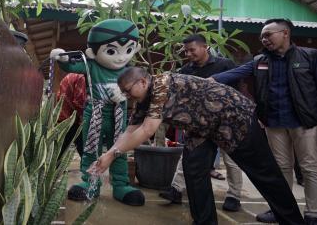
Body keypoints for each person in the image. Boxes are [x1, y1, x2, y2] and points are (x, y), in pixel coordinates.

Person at [90, 67, 304, 225]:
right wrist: (108, 154)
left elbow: (147, 130)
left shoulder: (161, 85)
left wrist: (113, 154)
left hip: (234, 118)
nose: (127, 96)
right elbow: (129, 131)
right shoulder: (143, 99)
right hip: (203, 128)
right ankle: (205, 222)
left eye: (128, 91)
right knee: (193, 170)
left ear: (143, 82)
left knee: (264, 173)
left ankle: (293, 221)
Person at [212, 18, 317, 224]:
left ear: (285, 33)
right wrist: (207, 80)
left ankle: (313, 212)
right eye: (262, 36)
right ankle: (283, 210)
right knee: (281, 168)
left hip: (304, 122)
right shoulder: (260, 60)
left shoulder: (309, 56)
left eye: (268, 34)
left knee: (310, 167)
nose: (264, 39)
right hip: (274, 123)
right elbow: (234, 73)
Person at [50, 19, 145, 206]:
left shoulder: (130, 71)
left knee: (119, 151)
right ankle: (90, 183)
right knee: (90, 150)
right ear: (93, 52)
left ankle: (121, 185)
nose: (120, 57)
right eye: (111, 51)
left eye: (128, 50)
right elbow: (71, 66)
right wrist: (62, 58)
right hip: (93, 114)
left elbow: (140, 90)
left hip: (120, 116)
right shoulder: (91, 65)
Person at [159, 34, 244, 212]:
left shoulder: (225, 65)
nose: (189, 54)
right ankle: (176, 189)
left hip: (227, 122)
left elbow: (239, 90)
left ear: (204, 47)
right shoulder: (186, 70)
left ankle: (234, 196)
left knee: (232, 160)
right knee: (188, 156)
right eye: (186, 51)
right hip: (199, 123)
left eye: (192, 50)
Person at [57, 73, 86, 158]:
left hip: (63, 116)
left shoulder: (67, 76)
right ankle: (88, 168)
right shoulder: (80, 78)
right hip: (72, 118)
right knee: (82, 147)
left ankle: (56, 169)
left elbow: (59, 95)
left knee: (61, 147)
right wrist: (81, 117)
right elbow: (79, 101)